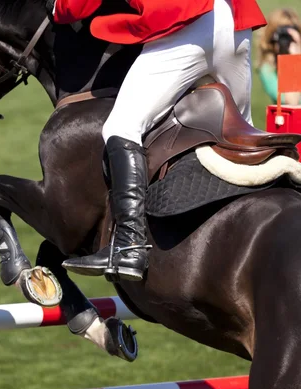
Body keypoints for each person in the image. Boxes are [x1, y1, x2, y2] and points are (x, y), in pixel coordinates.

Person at [47, 0, 267, 281]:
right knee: (236, 138)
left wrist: (56, 7)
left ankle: (130, 245)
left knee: (122, 126)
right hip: (234, 20)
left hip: (186, 22)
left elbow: (73, 7)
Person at [257, 8, 301, 105]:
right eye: (282, 35)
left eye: (289, 36)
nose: (285, 41)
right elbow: (292, 103)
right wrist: (293, 60)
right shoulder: (267, 69)